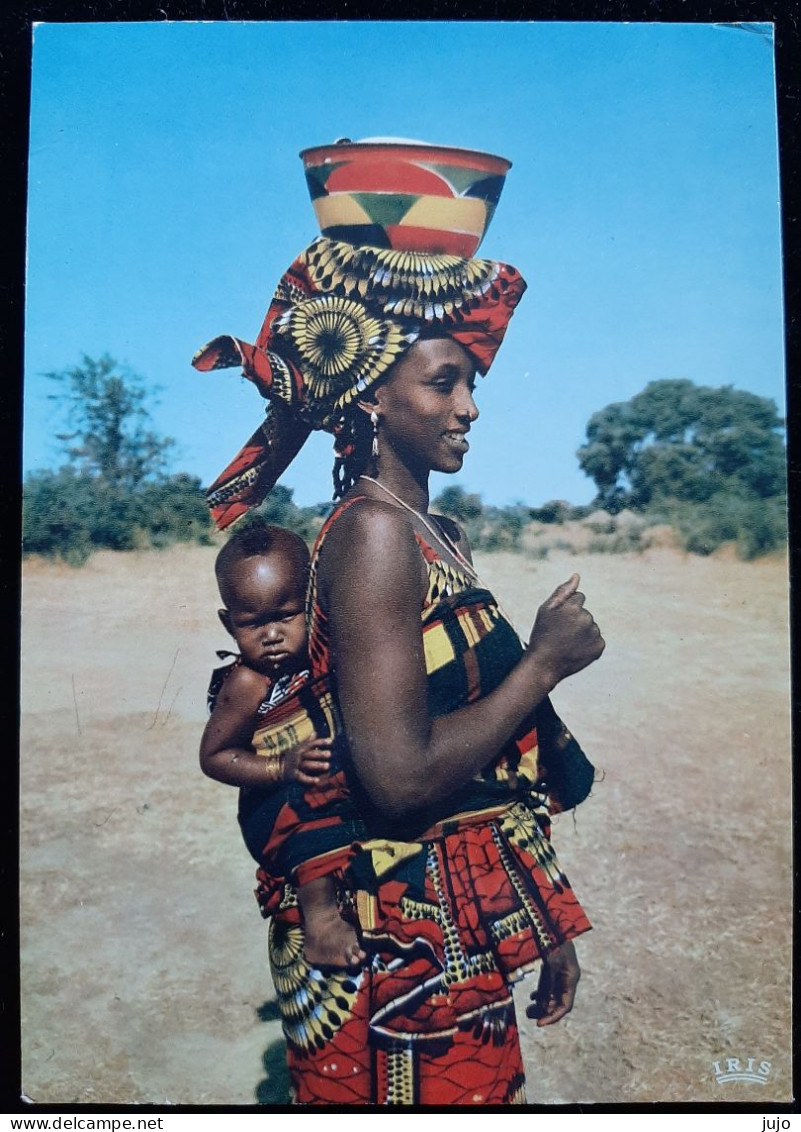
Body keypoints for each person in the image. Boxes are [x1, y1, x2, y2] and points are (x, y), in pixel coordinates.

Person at [193, 146, 604, 1106]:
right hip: (393, 948)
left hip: (451, 918)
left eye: (471, 385)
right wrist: (542, 664)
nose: (468, 408)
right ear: (373, 394)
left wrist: (538, 923)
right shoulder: (376, 535)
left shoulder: (425, 529)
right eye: (443, 383)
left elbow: (482, 774)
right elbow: (400, 774)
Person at [199, 520, 366, 969]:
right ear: (227, 623)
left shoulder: (325, 655)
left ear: (313, 604)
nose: (270, 634)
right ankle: (320, 921)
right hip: (275, 807)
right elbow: (214, 757)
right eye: (251, 623)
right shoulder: (249, 683)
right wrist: (279, 767)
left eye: (285, 616)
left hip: (322, 787)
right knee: (309, 809)